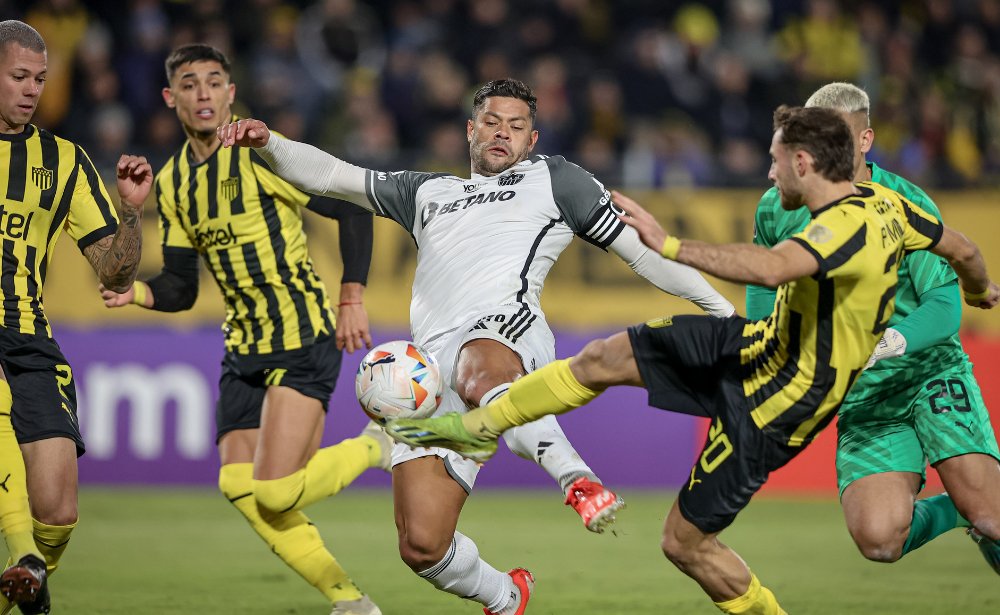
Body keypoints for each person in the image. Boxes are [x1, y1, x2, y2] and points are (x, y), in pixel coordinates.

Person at [383, 105, 1000, 614]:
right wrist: (980, 289)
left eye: (776, 159)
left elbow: (772, 266)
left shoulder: (844, 228)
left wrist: (670, 244)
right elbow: (965, 249)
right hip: (755, 347)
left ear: (804, 164)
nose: (769, 168)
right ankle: (472, 425)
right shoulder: (898, 207)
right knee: (604, 355)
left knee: (683, 544)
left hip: (780, 399)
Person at [218, 78, 735, 614]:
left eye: (515, 127)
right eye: (491, 122)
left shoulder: (558, 180)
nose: (501, 134)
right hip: (429, 372)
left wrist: (722, 314)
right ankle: (506, 596)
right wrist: (269, 143)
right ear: (470, 130)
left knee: (480, 372)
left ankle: (576, 479)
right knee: (421, 545)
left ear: (531, 140)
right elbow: (334, 175)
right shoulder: (427, 192)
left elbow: (644, 255)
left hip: (505, 329)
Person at [98, 44, 388, 615]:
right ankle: (349, 601)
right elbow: (181, 286)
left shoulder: (262, 154)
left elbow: (352, 209)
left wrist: (351, 294)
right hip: (243, 349)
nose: (203, 94)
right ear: (170, 97)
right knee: (239, 486)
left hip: (303, 335)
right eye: (190, 84)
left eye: (214, 83)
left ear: (231, 93)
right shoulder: (176, 181)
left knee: (277, 490)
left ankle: (381, 444)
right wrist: (139, 292)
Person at [747, 82, 1000, 571]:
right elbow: (762, 283)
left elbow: (946, 306)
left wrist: (887, 343)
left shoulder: (905, 202)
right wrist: (763, 342)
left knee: (993, 519)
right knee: (880, 542)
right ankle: (959, 511)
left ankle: (979, 509)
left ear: (865, 141)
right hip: (863, 394)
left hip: (929, 372)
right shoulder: (778, 207)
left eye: (837, 138)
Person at [0, 20, 149, 614]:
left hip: (28, 336)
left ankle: (30, 567)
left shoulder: (63, 161)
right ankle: (25, 556)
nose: (32, 90)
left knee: (58, 512)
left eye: (40, 78)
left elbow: (112, 273)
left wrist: (131, 214)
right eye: (18, 77)